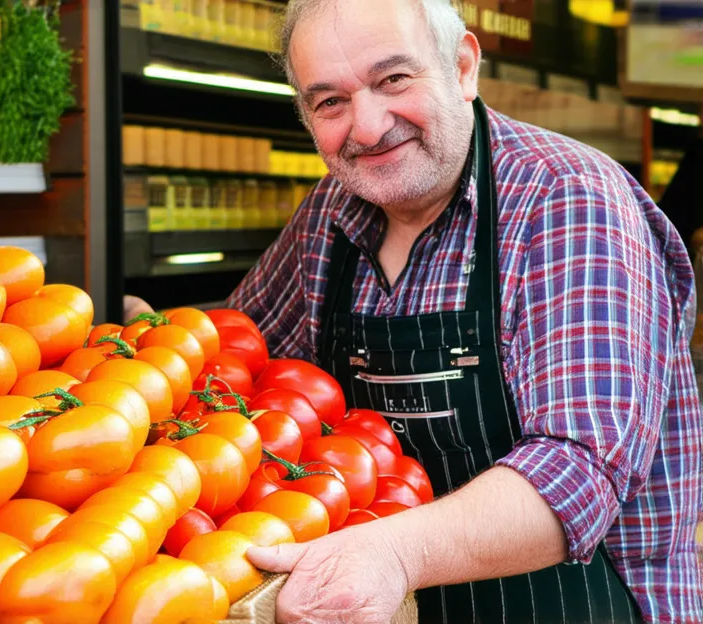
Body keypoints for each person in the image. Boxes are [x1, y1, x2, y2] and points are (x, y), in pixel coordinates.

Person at [124, 0, 703, 621]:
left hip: (571, 603)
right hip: (381, 601)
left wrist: (395, 555)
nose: (368, 127)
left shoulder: (569, 203)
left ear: (462, 68)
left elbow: (578, 474)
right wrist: (159, 354)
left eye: (393, 79)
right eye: (330, 102)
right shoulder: (331, 215)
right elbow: (240, 372)